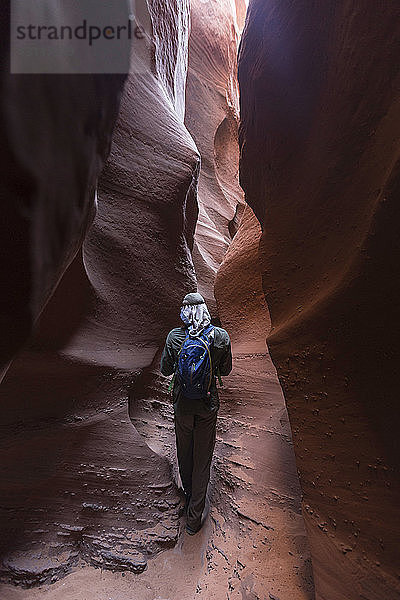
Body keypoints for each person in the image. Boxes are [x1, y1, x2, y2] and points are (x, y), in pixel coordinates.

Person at [160, 292, 232, 535]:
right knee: (203, 459)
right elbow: (227, 370)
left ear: (185, 312)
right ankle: (194, 518)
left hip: (182, 406)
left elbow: (165, 370)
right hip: (208, 406)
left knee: (185, 453)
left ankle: (189, 495)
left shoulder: (175, 337)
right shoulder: (220, 336)